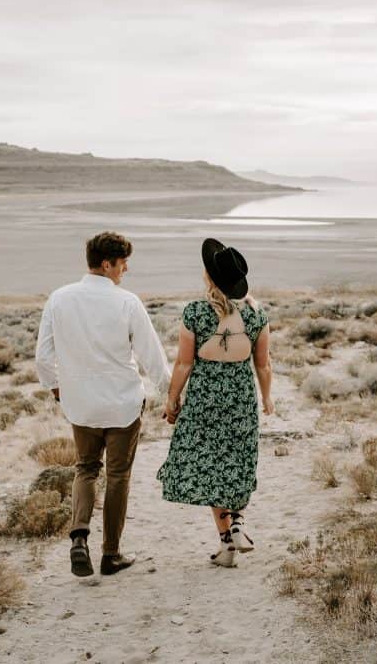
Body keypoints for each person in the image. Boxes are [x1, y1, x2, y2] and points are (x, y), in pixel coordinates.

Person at [35, 231, 170, 577]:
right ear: (107, 264)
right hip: (123, 404)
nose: (125, 271)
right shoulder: (127, 302)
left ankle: (79, 536)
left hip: (81, 405)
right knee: (118, 476)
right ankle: (111, 554)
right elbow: (151, 356)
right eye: (123, 264)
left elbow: (43, 357)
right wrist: (171, 394)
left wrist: (56, 389)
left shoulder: (59, 299)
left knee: (85, 467)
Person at [156, 238, 273, 568]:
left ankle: (227, 542)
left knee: (211, 470)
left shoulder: (195, 312)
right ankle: (236, 528)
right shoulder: (256, 315)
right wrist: (266, 397)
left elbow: (183, 364)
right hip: (240, 401)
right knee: (237, 466)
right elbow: (263, 365)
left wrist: (172, 400)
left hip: (205, 401)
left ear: (208, 276)